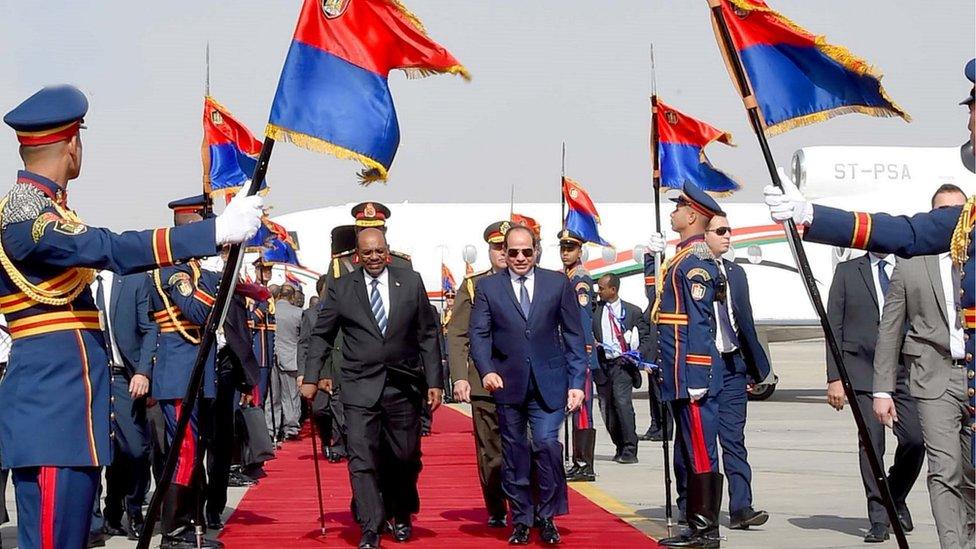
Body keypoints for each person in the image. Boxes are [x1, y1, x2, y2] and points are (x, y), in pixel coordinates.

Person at [0, 85, 261, 549]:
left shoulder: (48, 209)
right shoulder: (27, 218)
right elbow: (111, 248)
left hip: (67, 407)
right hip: (52, 408)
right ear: (74, 145)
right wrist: (213, 231)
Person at [306, 228, 442, 549]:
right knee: (361, 456)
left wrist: (434, 382)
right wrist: (312, 376)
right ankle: (370, 524)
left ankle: (402, 512)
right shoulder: (341, 288)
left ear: (388, 250)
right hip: (358, 384)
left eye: (379, 251)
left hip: (402, 383)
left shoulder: (410, 282)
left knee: (405, 456)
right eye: (367, 253)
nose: (374, 258)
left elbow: (427, 334)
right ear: (358, 256)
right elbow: (322, 335)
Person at [469, 224, 588, 546]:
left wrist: (578, 382)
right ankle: (521, 518)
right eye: (513, 252)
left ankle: (547, 516)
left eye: (526, 251)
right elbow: (479, 334)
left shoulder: (557, 284)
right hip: (508, 384)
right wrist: (486, 370)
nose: (520, 258)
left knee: (546, 445)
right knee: (515, 453)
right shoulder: (488, 288)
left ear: (536, 251)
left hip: (550, 382)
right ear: (503, 254)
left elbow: (576, 335)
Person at [873, 185, 974, 548]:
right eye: (942, 213)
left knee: (973, 473)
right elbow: (891, 325)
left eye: (958, 212)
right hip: (934, 378)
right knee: (944, 470)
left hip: (973, 372)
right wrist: (882, 389)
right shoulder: (911, 261)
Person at [826, 233, 924, 541]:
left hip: (902, 370)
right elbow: (833, 326)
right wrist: (834, 377)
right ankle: (879, 518)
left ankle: (894, 494)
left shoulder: (907, 269)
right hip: (861, 370)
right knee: (872, 445)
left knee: (915, 439)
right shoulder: (847, 272)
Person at [677, 214, 771, 531]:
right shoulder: (689, 269)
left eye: (729, 229)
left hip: (733, 365)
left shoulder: (736, 273)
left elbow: (746, 323)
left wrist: (758, 369)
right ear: (703, 234)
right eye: (721, 230)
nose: (728, 235)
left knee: (734, 439)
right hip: (704, 366)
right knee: (698, 444)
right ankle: (698, 505)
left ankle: (742, 506)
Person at [145, 195, 229, 549]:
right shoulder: (174, 272)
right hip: (179, 375)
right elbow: (197, 312)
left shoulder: (192, 270)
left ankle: (189, 525)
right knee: (185, 452)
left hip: (193, 372)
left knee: (194, 451)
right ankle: (174, 532)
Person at [646, 182, 725, 548]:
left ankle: (706, 530)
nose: (674, 212)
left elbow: (698, 322)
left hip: (691, 374)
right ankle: (696, 523)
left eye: (678, 207)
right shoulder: (680, 258)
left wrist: (695, 374)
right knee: (689, 448)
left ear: (692, 215)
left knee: (700, 448)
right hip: (676, 372)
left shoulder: (695, 264)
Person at [447, 220, 510, 527]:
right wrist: (459, 376)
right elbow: (457, 333)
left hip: (523, 380)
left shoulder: (532, 280)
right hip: (485, 382)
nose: (502, 253)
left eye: (505, 247)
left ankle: (529, 505)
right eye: (496, 247)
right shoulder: (474, 285)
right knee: (492, 452)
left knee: (528, 446)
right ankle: (496, 507)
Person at [88, 270, 156, 543]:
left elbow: (150, 328)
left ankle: (133, 508)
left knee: (135, 449)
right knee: (92, 452)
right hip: (91, 378)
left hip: (124, 376)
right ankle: (95, 522)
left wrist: (144, 371)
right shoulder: (75, 282)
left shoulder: (133, 281)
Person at [592, 273, 649, 466]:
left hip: (622, 365)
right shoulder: (594, 310)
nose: (598, 292)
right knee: (607, 408)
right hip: (603, 365)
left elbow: (646, 337)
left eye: (601, 288)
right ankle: (619, 444)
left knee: (622, 404)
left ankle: (630, 448)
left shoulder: (633, 312)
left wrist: (638, 353)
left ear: (613, 290)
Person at [557, 229, 600, 482]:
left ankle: (585, 464)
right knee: (575, 407)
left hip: (579, 353)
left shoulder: (580, 280)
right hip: (568, 351)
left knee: (582, 408)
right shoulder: (568, 276)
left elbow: (583, 321)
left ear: (579, 251)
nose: (565, 253)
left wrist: (582, 353)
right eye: (563, 248)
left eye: (570, 248)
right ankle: (578, 460)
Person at [269, 283, 303, 440]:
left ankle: (271, 428)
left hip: (271, 357)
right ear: (292, 297)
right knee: (291, 395)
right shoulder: (297, 313)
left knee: (272, 396)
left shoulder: (271, 310)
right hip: (290, 357)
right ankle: (291, 428)